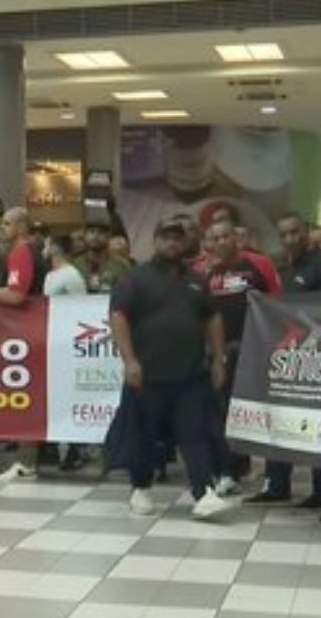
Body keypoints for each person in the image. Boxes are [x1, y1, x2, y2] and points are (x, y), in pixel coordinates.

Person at [108, 218, 235, 521]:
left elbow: (212, 317)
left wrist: (218, 359)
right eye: (166, 237)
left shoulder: (197, 279)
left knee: (195, 433)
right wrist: (130, 361)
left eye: (177, 238)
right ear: (155, 240)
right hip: (148, 374)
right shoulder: (135, 278)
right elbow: (119, 317)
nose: (172, 243)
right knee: (144, 434)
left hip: (190, 375)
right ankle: (140, 488)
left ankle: (203, 493)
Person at [247, 212, 321, 507]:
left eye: (296, 232)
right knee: (280, 416)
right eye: (285, 234)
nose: (291, 239)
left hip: (313, 358)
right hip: (285, 355)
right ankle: (276, 484)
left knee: (315, 422)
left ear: (307, 232)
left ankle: (319, 492)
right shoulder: (282, 267)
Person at [203, 219, 282, 494]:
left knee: (263, 411)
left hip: (258, 349)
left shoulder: (259, 264)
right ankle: (231, 470)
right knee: (225, 412)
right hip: (223, 352)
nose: (222, 242)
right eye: (216, 238)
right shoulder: (207, 271)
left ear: (238, 238)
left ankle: (275, 477)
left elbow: (278, 302)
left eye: (226, 236)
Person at [0, 207, 47, 482]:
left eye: (7, 223)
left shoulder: (21, 252)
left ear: (22, 226)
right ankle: (27, 459)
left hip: (26, 332)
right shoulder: (27, 251)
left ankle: (25, 462)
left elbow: (16, 296)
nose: (2, 228)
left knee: (24, 395)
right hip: (31, 330)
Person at [44, 234, 89, 472]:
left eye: (47, 244)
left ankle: (75, 449)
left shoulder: (71, 275)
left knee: (70, 395)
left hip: (68, 343)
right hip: (53, 343)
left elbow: (81, 309)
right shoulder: (51, 275)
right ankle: (55, 448)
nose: (44, 248)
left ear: (55, 248)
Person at [75, 222, 131, 295]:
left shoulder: (121, 265)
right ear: (85, 236)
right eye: (91, 232)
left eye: (101, 233)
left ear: (108, 237)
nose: (95, 236)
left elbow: (127, 291)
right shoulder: (75, 264)